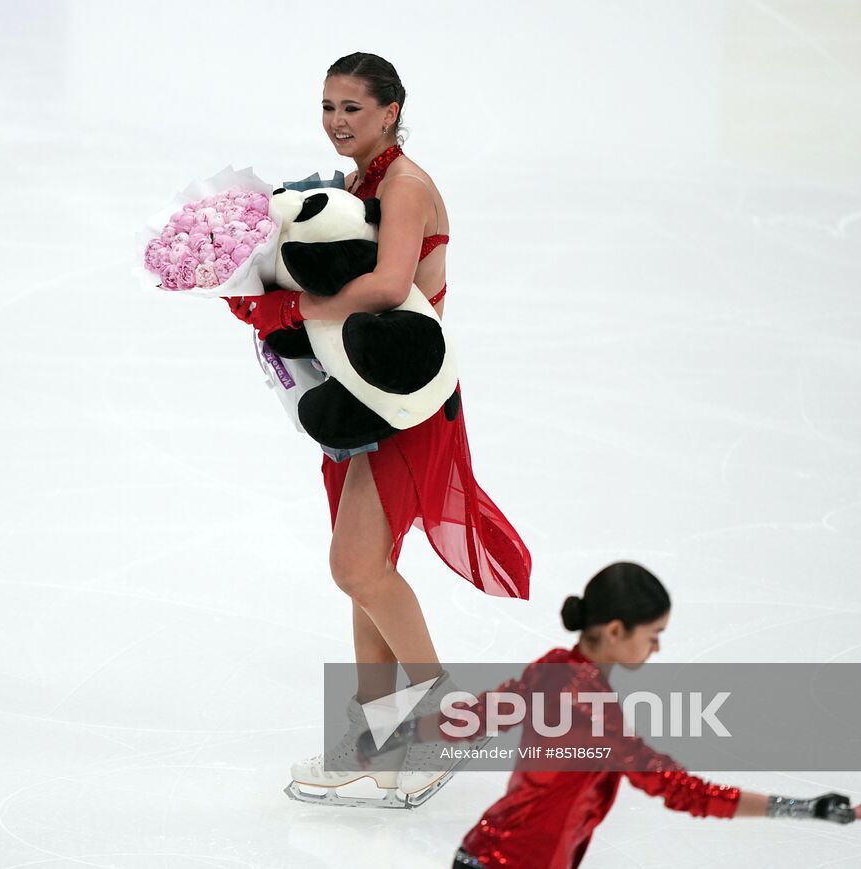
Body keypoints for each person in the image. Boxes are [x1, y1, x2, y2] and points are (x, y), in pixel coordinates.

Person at [227, 52, 533, 807]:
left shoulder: (404, 186)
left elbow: (392, 286)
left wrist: (286, 310)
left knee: (358, 567)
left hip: (404, 399)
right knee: (365, 568)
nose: (336, 121)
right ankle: (376, 740)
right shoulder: (360, 183)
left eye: (352, 108)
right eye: (327, 106)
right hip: (359, 393)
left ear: (391, 110)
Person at [357, 562, 861, 866]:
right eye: (652, 636)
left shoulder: (553, 671)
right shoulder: (597, 717)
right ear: (615, 631)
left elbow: (479, 715)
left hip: (484, 853)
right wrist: (804, 809)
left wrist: (401, 733)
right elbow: (685, 792)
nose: (656, 649)